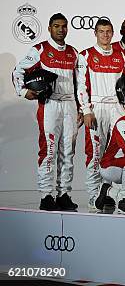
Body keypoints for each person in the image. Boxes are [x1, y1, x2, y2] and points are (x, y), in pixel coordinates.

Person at [12, 13, 80, 211]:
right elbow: (18, 71)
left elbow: (80, 83)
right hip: (49, 104)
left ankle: (64, 194)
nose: (61, 29)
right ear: (50, 28)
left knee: (68, 151)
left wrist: (82, 108)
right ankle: (45, 196)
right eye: (56, 26)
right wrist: (24, 91)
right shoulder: (40, 49)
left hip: (69, 105)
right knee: (48, 150)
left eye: (64, 26)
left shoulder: (73, 53)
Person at [76, 18, 125, 210]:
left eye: (108, 31)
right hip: (97, 107)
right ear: (95, 33)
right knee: (94, 153)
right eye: (101, 31)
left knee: (120, 151)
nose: (105, 35)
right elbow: (81, 86)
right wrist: (86, 111)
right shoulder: (86, 55)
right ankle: (93, 196)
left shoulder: (120, 55)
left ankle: (108, 192)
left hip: (116, 107)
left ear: (113, 33)